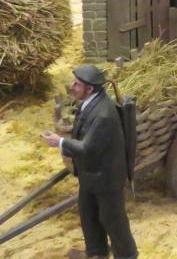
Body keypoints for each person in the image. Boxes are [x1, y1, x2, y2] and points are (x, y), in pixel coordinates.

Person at [41, 65, 137, 259]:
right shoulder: (88, 103)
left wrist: (60, 142)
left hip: (106, 178)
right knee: (88, 216)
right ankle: (96, 253)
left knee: (112, 220)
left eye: (77, 84)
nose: (72, 86)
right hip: (90, 174)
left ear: (90, 88)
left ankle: (127, 255)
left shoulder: (104, 114)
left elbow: (87, 148)